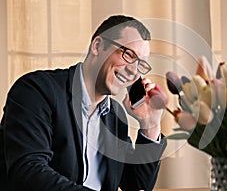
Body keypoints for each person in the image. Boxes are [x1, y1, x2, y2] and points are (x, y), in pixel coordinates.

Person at [0, 15, 167, 191]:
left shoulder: (115, 116)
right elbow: (29, 172)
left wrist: (151, 124)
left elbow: (137, 185)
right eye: (128, 55)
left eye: (140, 64)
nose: (133, 70)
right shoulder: (36, 91)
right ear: (97, 46)